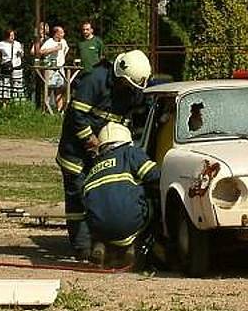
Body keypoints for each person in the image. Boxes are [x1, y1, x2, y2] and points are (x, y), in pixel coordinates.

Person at [56, 49, 151, 261]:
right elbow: (76, 114)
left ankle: (103, 242)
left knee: (102, 196)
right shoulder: (95, 80)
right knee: (79, 197)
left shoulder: (131, 89)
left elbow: (138, 110)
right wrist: (90, 139)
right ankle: (82, 247)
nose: (132, 90)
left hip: (100, 154)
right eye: (130, 85)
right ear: (121, 75)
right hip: (76, 154)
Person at [83, 122, 161, 268]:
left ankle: (100, 245)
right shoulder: (130, 152)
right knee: (152, 197)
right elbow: (154, 176)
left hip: (99, 227)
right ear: (127, 140)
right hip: (129, 222)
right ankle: (134, 246)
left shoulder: (94, 166)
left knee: (101, 205)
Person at [32, 24, 69, 112]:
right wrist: (54, 49)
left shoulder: (64, 41)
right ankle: (45, 109)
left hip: (60, 67)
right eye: (61, 33)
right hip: (50, 68)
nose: (63, 34)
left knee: (60, 89)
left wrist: (61, 59)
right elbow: (41, 51)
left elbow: (66, 50)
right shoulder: (49, 42)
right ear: (56, 33)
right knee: (48, 88)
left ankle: (60, 110)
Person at [0, 29, 25, 104]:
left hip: (16, 65)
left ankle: (17, 102)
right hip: (6, 65)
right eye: (10, 35)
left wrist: (21, 53)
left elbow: (22, 54)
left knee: (17, 84)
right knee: (5, 84)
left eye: (13, 35)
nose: (12, 37)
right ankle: (4, 103)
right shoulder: (1, 44)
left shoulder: (17, 44)